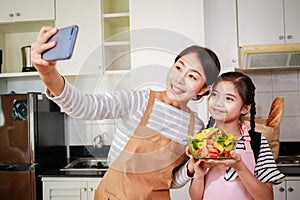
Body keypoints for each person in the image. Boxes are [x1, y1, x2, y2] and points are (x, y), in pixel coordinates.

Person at [31, 26, 221, 199]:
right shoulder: (139, 100)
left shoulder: (196, 126)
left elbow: (172, 181)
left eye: (192, 76)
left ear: (204, 89)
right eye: (179, 67)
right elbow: (84, 106)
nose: (180, 79)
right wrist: (48, 74)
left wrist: (190, 167)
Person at [185, 72, 285, 200]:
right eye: (215, 94)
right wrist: (198, 174)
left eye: (229, 98)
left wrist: (239, 166)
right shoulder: (201, 141)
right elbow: (196, 197)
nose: (218, 103)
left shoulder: (257, 142)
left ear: (245, 109)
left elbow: (267, 198)